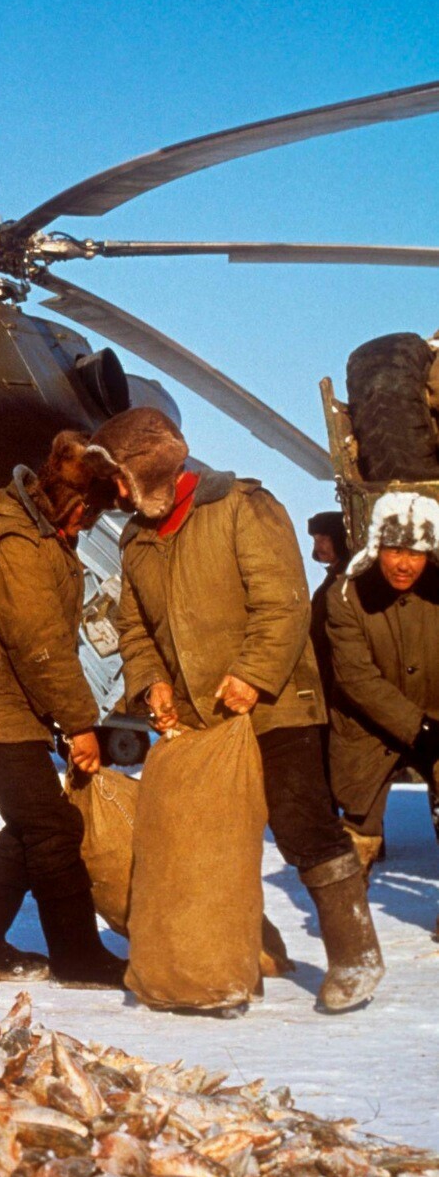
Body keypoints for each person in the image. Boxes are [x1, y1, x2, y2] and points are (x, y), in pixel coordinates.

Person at [94, 406, 384, 1013]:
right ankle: (239, 953)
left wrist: (252, 675)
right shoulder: (136, 539)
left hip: (276, 705)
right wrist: (151, 683)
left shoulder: (244, 508)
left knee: (301, 823)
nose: (114, 493)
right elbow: (135, 626)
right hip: (202, 720)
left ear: (148, 470)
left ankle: (356, 956)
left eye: (120, 477)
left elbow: (282, 604)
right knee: (206, 840)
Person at [0, 431, 125, 986]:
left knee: (34, 822)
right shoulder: (14, 543)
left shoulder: (38, 535)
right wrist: (80, 724)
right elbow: (39, 645)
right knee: (52, 827)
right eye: (92, 513)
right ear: (78, 503)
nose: (89, 526)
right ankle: (79, 956)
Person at [324, 492, 439, 885]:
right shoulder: (344, 596)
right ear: (377, 546)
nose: (404, 564)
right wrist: (416, 727)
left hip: (437, 716)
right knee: (357, 830)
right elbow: (355, 678)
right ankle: (349, 925)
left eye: (416, 553)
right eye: (394, 550)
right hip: (367, 727)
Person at [307, 509, 350, 705]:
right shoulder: (333, 577)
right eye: (316, 540)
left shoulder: (347, 578)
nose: (318, 546)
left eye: (324, 539)